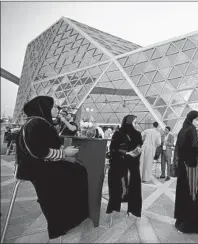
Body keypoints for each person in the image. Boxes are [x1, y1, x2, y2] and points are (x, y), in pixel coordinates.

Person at [15, 96, 89, 240]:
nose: (58, 109)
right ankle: (62, 222)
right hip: (36, 168)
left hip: (36, 166)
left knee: (76, 170)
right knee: (77, 172)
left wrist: (64, 156)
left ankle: (69, 217)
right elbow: (38, 151)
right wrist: (64, 153)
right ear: (44, 108)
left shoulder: (36, 122)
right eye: (55, 107)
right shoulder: (37, 123)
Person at [174, 110, 198, 234]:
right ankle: (191, 225)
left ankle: (181, 223)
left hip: (184, 167)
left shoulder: (183, 129)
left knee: (184, 193)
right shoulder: (192, 130)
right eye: (197, 120)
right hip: (191, 167)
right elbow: (195, 148)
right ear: (191, 119)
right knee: (193, 194)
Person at [107, 115, 143, 217]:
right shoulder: (118, 134)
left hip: (133, 165)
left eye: (136, 122)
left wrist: (138, 150)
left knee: (134, 186)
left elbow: (139, 145)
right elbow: (113, 149)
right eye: (134, 122)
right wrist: (127, 153)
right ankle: (114, 207)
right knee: (117, 187)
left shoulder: (137, 134)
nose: (136, 125)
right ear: (128, 123)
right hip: (119, 164)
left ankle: (133, 210)